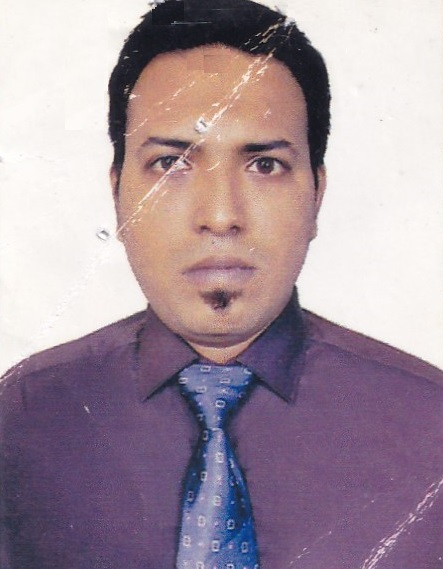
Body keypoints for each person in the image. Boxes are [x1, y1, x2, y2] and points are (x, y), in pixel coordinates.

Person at [1, 0, 442, 568]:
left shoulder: (431, 425)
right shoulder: (21, 417)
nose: (219, 216)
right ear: (118, 195)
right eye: (170, 164)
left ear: (316, 195)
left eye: (264, 165)